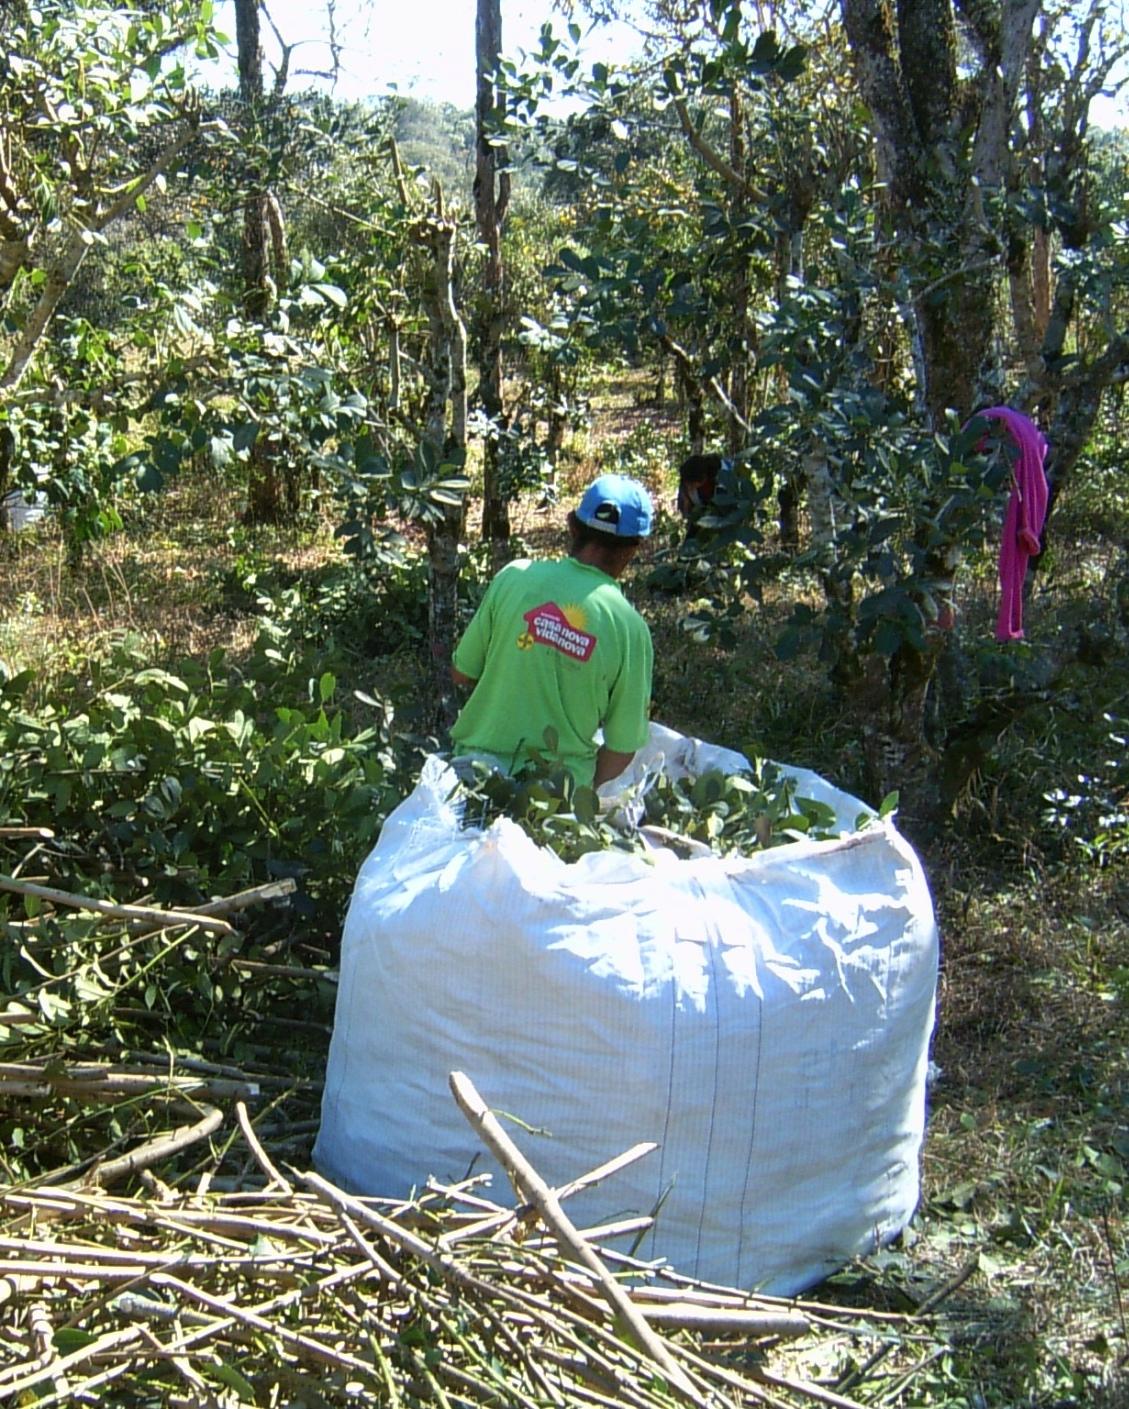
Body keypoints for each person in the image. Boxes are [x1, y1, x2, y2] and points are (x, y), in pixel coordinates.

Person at [450, 474, 654, 788]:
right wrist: (579, 788)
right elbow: (622, 747)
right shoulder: (630, 629)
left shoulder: (513, 578)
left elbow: (462, 673)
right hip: (555, 796)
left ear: (573, 526)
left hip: (473, 775)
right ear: (635, 547)